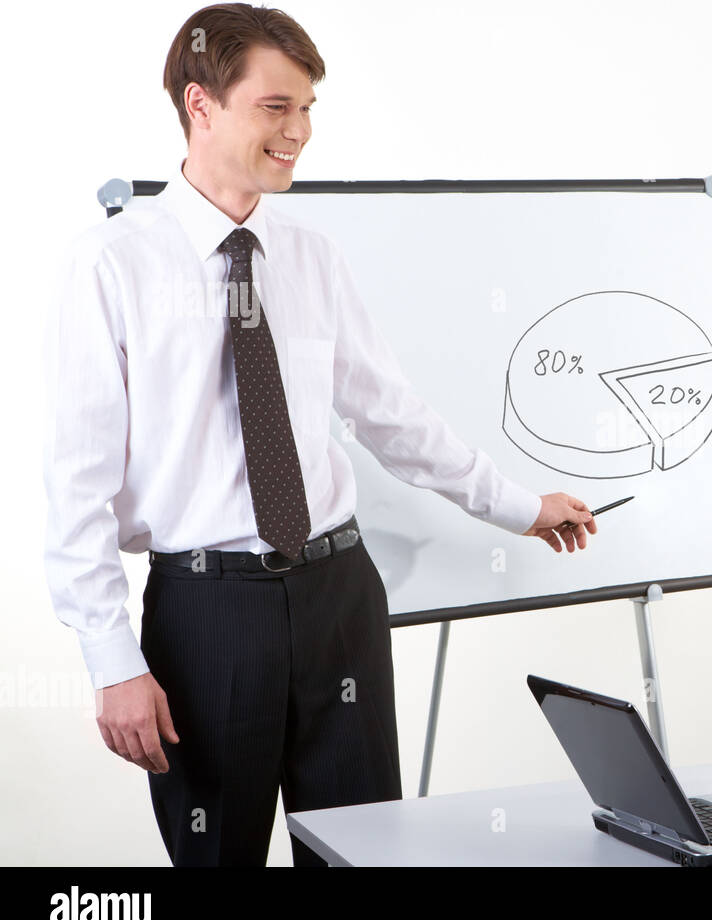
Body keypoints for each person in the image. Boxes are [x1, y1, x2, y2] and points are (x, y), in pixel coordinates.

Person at [42, 2, 597, 866]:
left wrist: (519, 505)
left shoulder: (311, 256)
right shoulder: (111, 263)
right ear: (201, 104)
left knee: (364, 853)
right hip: (206, 615)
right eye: (276, 107)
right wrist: (112, 660)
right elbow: (75, 484)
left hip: (341, 595)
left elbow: (391, 416)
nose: (299, 131)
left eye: (307, 110)